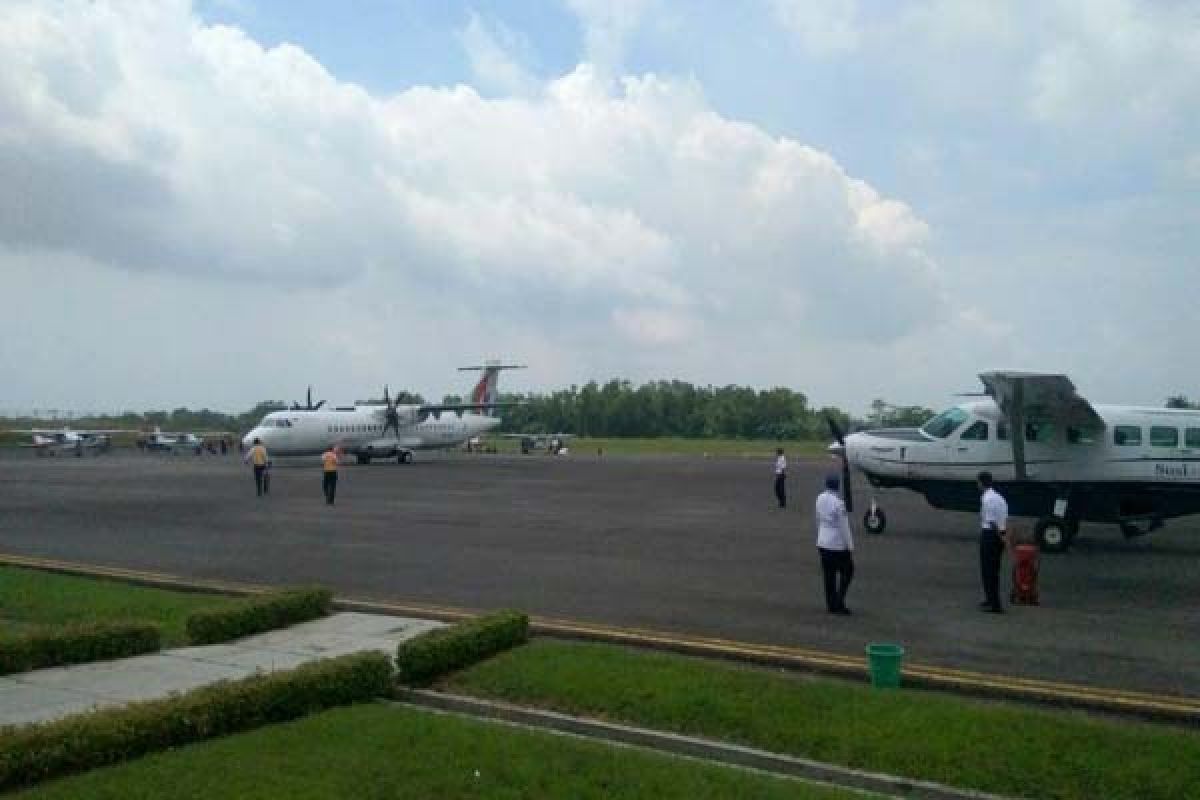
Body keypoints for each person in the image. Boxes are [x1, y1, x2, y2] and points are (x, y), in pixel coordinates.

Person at [815, 474, 854, 614]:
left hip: (822, 542)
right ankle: (839, 600)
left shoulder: (819, 498)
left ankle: (831, 604)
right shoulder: (839, 504)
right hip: (836, 545)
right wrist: (850, 546)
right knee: (848, 571)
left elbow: (818, 518)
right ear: (838, 486)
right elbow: (844, 527)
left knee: (828, 575)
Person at [977, 471, 1009, 613]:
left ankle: (994, 604)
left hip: (990, 535)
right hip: (999, 534)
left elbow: (992, 523)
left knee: (988, 570)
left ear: (981, 483)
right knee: (993, 570)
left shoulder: (987, 499)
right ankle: (991, 599)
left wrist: (1001, 537)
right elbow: (1003, 520)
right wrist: (1004, 537)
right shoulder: (999, 498)